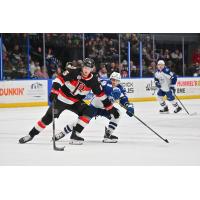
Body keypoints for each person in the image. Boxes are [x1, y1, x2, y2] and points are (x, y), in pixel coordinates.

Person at [19, 58, 119, 145]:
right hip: (61, 100)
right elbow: (59, 79)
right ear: (82, 66)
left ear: (92, 69)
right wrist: (54, 91)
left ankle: (75, 135)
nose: (86, 70)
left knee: (89, 112)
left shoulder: (93, 81)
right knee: (47, 118)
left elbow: (101, 95)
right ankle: (30, 135)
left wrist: (110, 108)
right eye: (85, 67)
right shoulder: (73, 71)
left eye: (88, 68)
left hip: (75, 102)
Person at [54, 72, 134, 143]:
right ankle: (63, 133)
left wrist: (128, 107)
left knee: (118, 114)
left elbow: (124, 99)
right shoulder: (105, 83)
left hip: (107, 109)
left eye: (116, 80)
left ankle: (108, 134)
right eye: (113, 80)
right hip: (94, 107)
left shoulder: (121, 89)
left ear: (119, 81)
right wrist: (111, 92)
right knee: (82, 120)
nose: (114, 82)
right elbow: (101, 88)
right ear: (110, 79)